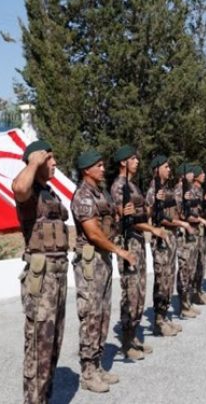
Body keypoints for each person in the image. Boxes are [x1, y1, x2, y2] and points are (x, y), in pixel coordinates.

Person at [70, 149, 136, 393]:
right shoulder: (83, 196)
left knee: (103, 314)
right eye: (97, 165)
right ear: (87, 170)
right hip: (90, 261)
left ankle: (97, 366)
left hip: (103, 259)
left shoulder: (101, 193)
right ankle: (88, 373)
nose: (102, 168)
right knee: (90, 315)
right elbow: (93, 233)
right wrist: (120, 251)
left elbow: (109, 222)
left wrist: (121, 214)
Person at [12, 140, 69, 403]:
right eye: (50, 158)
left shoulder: (51, 193)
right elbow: (19, 187)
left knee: (53, 344)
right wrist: (34, 161)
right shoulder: (29, 193)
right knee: (38, 347)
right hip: (41, 279)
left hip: (58, 276)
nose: (54, 163)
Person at [110, 145, 165, 360]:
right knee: (130, 293)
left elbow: (143, 214)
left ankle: (133, 337)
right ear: (123, 162)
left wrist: (153, 203)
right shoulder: (118, 187)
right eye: (133, 159)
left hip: (139, 243)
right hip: (128, 243)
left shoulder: (132, 186)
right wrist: (152, 229)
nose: (137, 162)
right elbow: (125, 220)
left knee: (140, 292)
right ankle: (126, 342)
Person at [145, 155, 185, 336]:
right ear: (157, 169)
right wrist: (153, 200)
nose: (169, 169)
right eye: (166, 166)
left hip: (170, 238)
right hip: (161, 240)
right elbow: (149, 215)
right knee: (162, 280)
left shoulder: (167, 189)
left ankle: (165, 315)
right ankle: (158, 321)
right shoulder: (153, 190)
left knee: (169, 278)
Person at [173, 163, 205, 318]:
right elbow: (178, 214)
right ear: (182, 175)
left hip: (192, 232)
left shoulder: (190, 191)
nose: (193, 175)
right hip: (184, 235)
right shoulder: (179, 190)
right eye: (190, 172)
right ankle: (183, 306)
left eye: (193, 172)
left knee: (191, 269)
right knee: (185, 270)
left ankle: (188, 302)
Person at [191, 164, 206, 305]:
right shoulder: (192, 191)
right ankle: (193, 294)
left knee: (202, 262)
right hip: (196, 231)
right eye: (202, 173)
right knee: (195, 264)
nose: (204, 175)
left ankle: (198, 291)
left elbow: (203, 211)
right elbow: (192, 213)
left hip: (202, 231)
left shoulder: (201, 190)